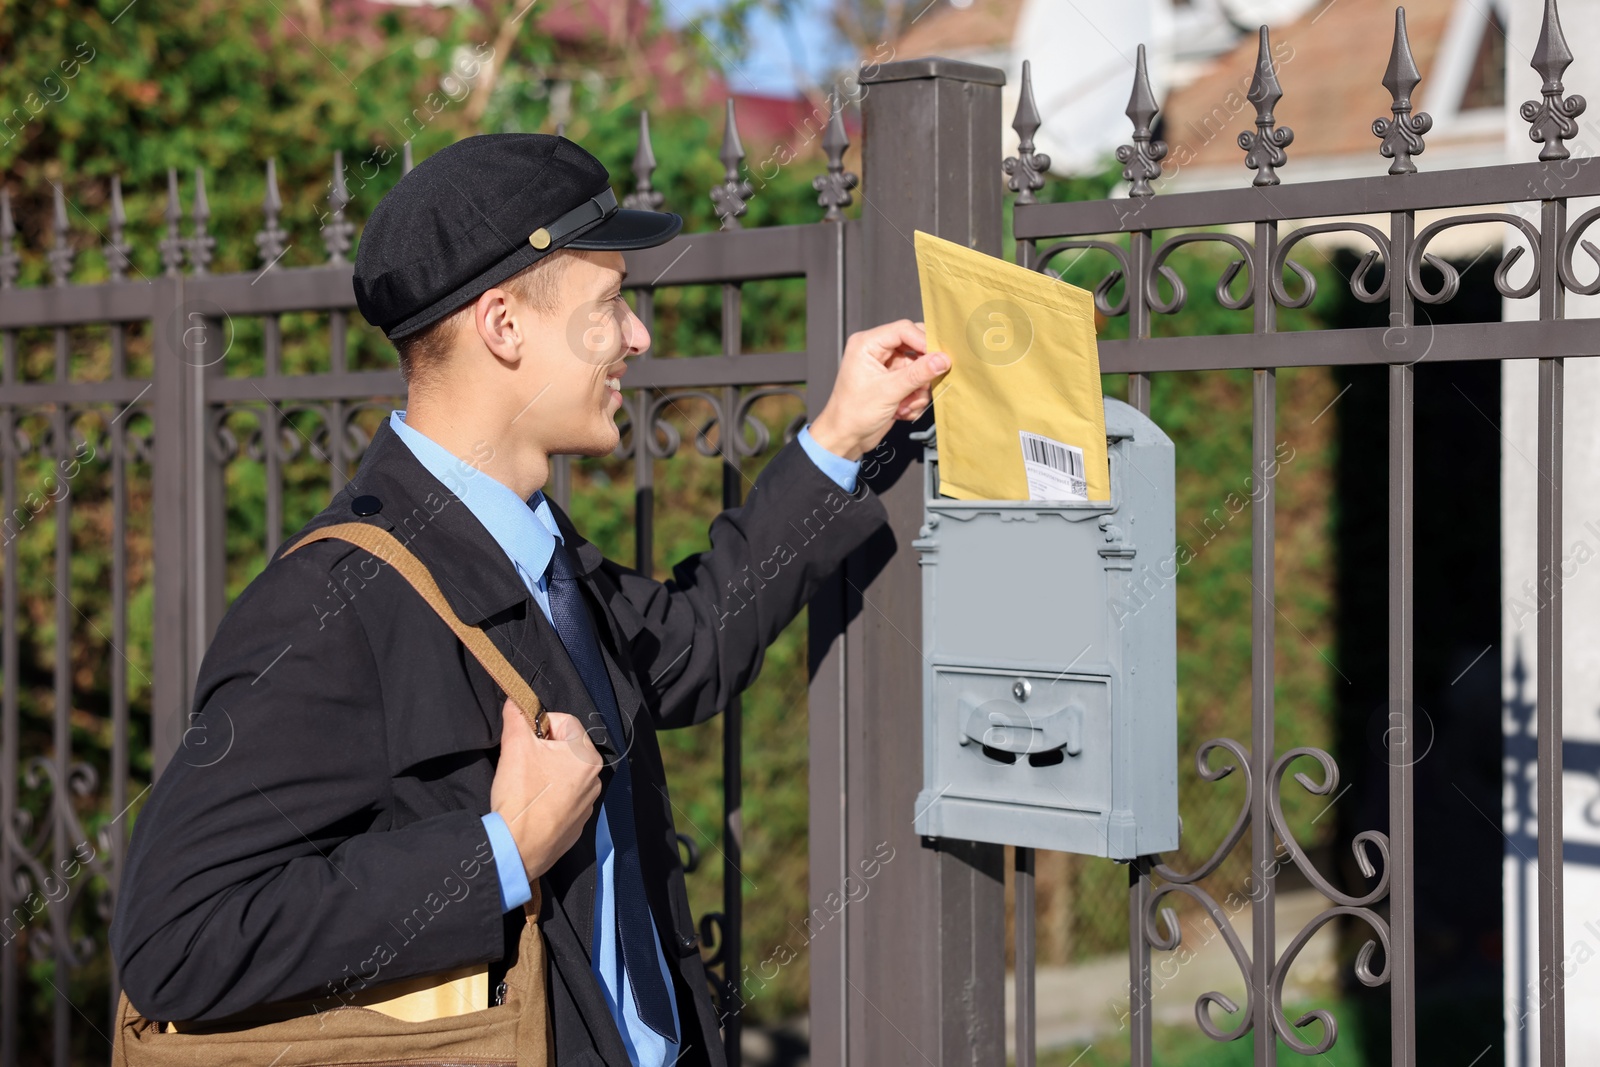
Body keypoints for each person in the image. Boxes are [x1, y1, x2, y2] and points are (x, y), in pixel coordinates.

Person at [111, 132, 948, 1067]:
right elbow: (174, 941)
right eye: (608, 307)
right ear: (503, 325)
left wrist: (838, 436)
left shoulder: (531, 546)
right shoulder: (333, 603)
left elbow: (686, 648)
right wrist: (501, 850)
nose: (636, 337)